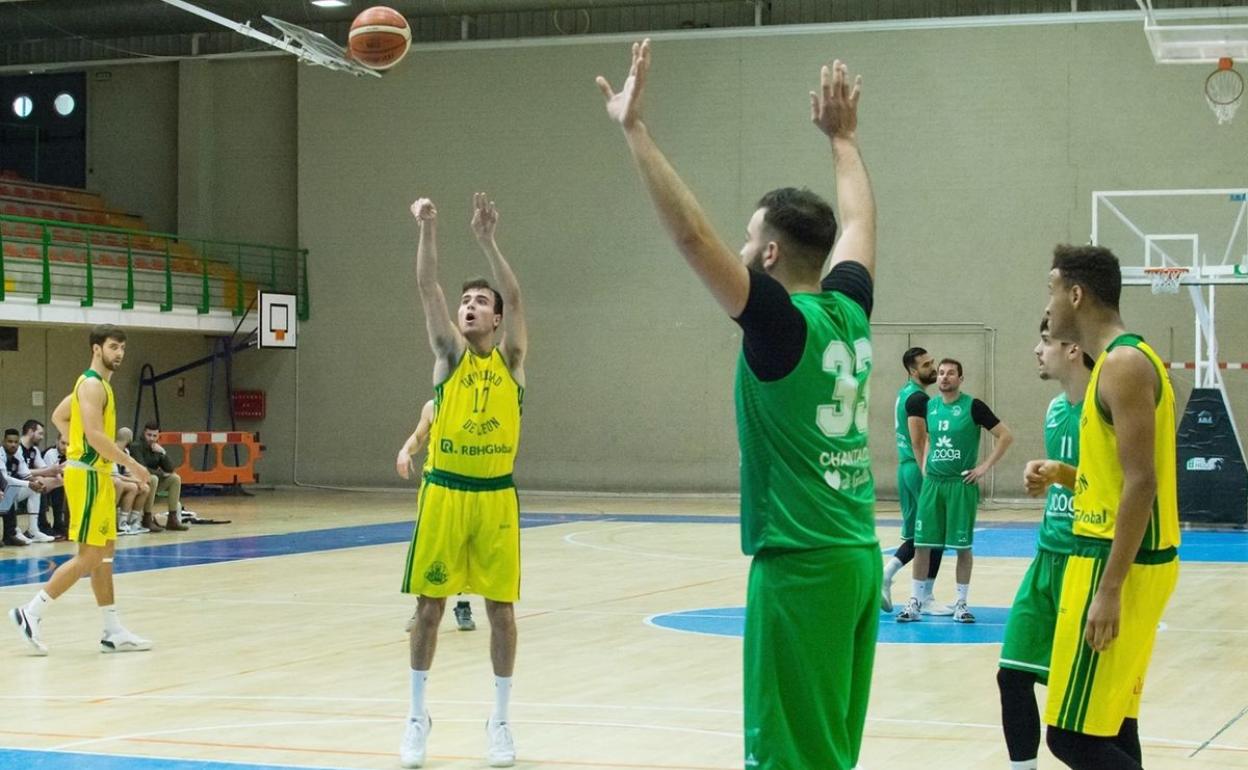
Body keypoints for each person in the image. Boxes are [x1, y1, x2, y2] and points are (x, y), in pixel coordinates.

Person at [599, 42, 877, 770]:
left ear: (773, 257)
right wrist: (843, 142)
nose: (741, 247)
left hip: (802, 567)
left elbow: (692, 237)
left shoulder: (780, 326)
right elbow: (858, 222)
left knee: (787, 757)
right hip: (856, 560)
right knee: (828, 750)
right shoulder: (851, 308)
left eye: (750, 239)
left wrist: (636, 132)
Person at [1023, 245, 1181, 770]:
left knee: (1071, 738)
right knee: (1113, 725)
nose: (1047, 306)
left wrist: (1109, 589)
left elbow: (1142, 482)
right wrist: (1066, 476)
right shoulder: (1116, 365)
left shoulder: (1124, 363)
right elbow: (1119, 475)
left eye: (1051, 289)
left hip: (1116, 563)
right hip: (1111, 554)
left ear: (1076, 294)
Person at [401, 192, 527, 767]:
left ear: (497, 318)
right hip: (446, 493)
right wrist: (430, 228)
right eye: (466, 300)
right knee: (429, 608)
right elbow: (427, 287)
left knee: (501, 611)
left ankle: (499, 720)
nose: (470, 306)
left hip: (496, 498)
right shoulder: (448, 355)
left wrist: (487, 240)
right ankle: (416, 715)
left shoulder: (512, 361)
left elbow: (519, 295)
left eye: (481, 301)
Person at [9, 324, 153, 655]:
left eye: (122, 348)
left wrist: (78, 447)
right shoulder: (91, 384)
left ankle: (112, 630)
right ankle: (31, 613)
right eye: (113, 346)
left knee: (105, 555)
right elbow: (95, 436)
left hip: (96, 475)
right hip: (88, 477)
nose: (119, 353)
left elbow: (61, 416)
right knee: (89, 556)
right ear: (96, 348)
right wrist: (133, 465)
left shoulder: (97, 385)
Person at [998, 317, 1092, 770]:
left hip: (1087, 563)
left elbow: (1117, 487)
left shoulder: (1105, 407)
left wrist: (1063, 474)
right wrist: (1042, 476)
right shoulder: (1056, 409)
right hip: (1046, 558)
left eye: (1045, 340)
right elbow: (1062, 479)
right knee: (1011, 675)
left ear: (1073, 348)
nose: (1037, 349)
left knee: (1084, 722)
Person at [896, 358, 1013, 624]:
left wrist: (983, 468)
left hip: (960, 485)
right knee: (923, 544)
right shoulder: (929, 407)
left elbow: (1006, 435)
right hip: (933, 484)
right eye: (940, 373)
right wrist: (926, 469)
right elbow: (927, 440)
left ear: (961, 378)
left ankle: (961, 603)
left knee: (962, 547)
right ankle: (915, 600)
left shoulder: (974, 407)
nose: (944, 377)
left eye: (950, 373)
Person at [398, 399, 476, 633]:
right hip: (437, 486)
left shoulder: (476, 406)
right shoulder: (433, 406)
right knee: (430, 548)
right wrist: (404, 451)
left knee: (465, 547)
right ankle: (422, 606)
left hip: (467, 485)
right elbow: (419, 437)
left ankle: (463, 605)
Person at [882, 347, 947, 614]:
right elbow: (920, 441)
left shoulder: (904, 393)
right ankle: (926, 595)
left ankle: (886, 576)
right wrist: (927, 475)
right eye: (927, 365)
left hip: (905, 468)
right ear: (912, 370)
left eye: (932, 362)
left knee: (916, 534)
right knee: (937, 533)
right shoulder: (918, 399)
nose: (933, 368)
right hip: (918, 470)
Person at [132, 421, 187, 532]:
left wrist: (163, 452)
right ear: (144, 433)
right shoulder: (136, 446)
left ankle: (172, 519)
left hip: (153, 483)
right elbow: (142, 469)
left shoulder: (156, 448)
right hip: (137, 481)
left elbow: (170, 469)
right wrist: (161, 474)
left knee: (175, 478)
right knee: (153, 478)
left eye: (155, 436)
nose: (152, 438)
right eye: (149, 435)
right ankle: (147, 519)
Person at [2, 428, 50, 544]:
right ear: (3, 442)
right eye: (10, 442)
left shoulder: (18, 452)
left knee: (34, 490)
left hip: (6, 493)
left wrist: (37, 483)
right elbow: (5, 479)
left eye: (16, 442)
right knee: (11, 490)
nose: (13, 445)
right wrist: (29, 484)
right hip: (3, 493)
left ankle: (33, 531)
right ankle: (13, 532)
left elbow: (25, 474)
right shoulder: (0, 454)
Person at [18, 420, 61, 542]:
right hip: (10, 487)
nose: (42, 437)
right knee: (38, 482)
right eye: (40, 433)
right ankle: (16, 530)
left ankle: (35, 529)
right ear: (31, 432)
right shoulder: (17, 448)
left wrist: (57, 472)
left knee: (51, 483)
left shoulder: (34, 450)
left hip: (26, 486)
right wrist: (44, 473)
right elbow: (22, 472)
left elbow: (44, 469)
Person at [112, 427, 150, 535]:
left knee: (145, 488)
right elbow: (115, 474)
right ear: (130, 439)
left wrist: (139, 480)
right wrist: (134, 481)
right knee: (132, 487)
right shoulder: (111, 450)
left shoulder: (126, 451)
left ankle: (133, 522)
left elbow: (127, 471)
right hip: (111, 479)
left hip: (121, 479)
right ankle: (121, 523)